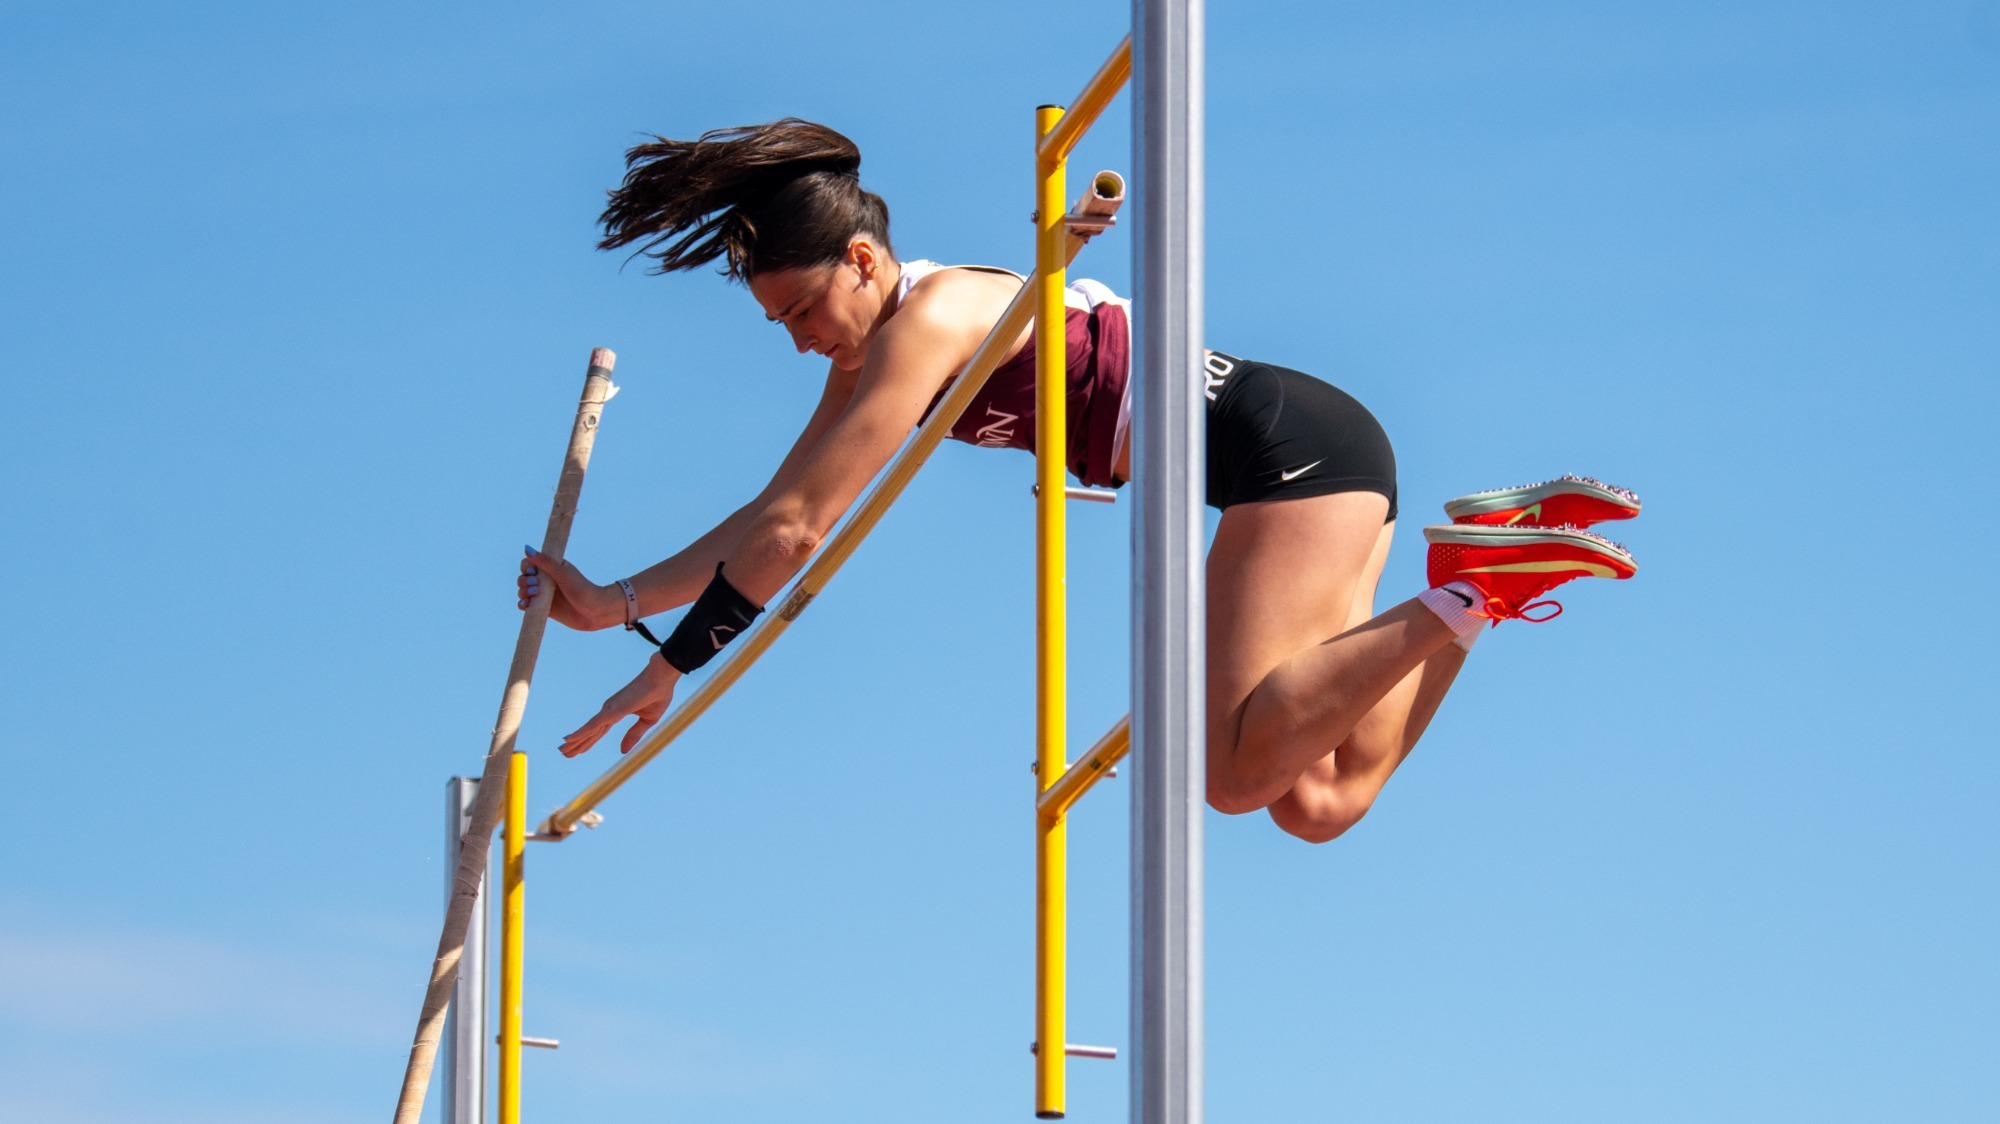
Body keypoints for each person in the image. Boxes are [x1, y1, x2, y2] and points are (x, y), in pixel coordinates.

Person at [516, 119, 1641, 843]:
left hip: (1280, 454)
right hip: (1311, 454)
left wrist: (665, 665)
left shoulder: (929, 321)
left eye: (803, 309)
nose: (802, 341)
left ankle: (1475, 585)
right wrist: (616, 601)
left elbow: (800, 532)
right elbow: (769, 515)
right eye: (780, 324)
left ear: (861, 261)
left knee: (1235, 775)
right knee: (1317, 796)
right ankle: (1474, 578)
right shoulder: (874, 348)